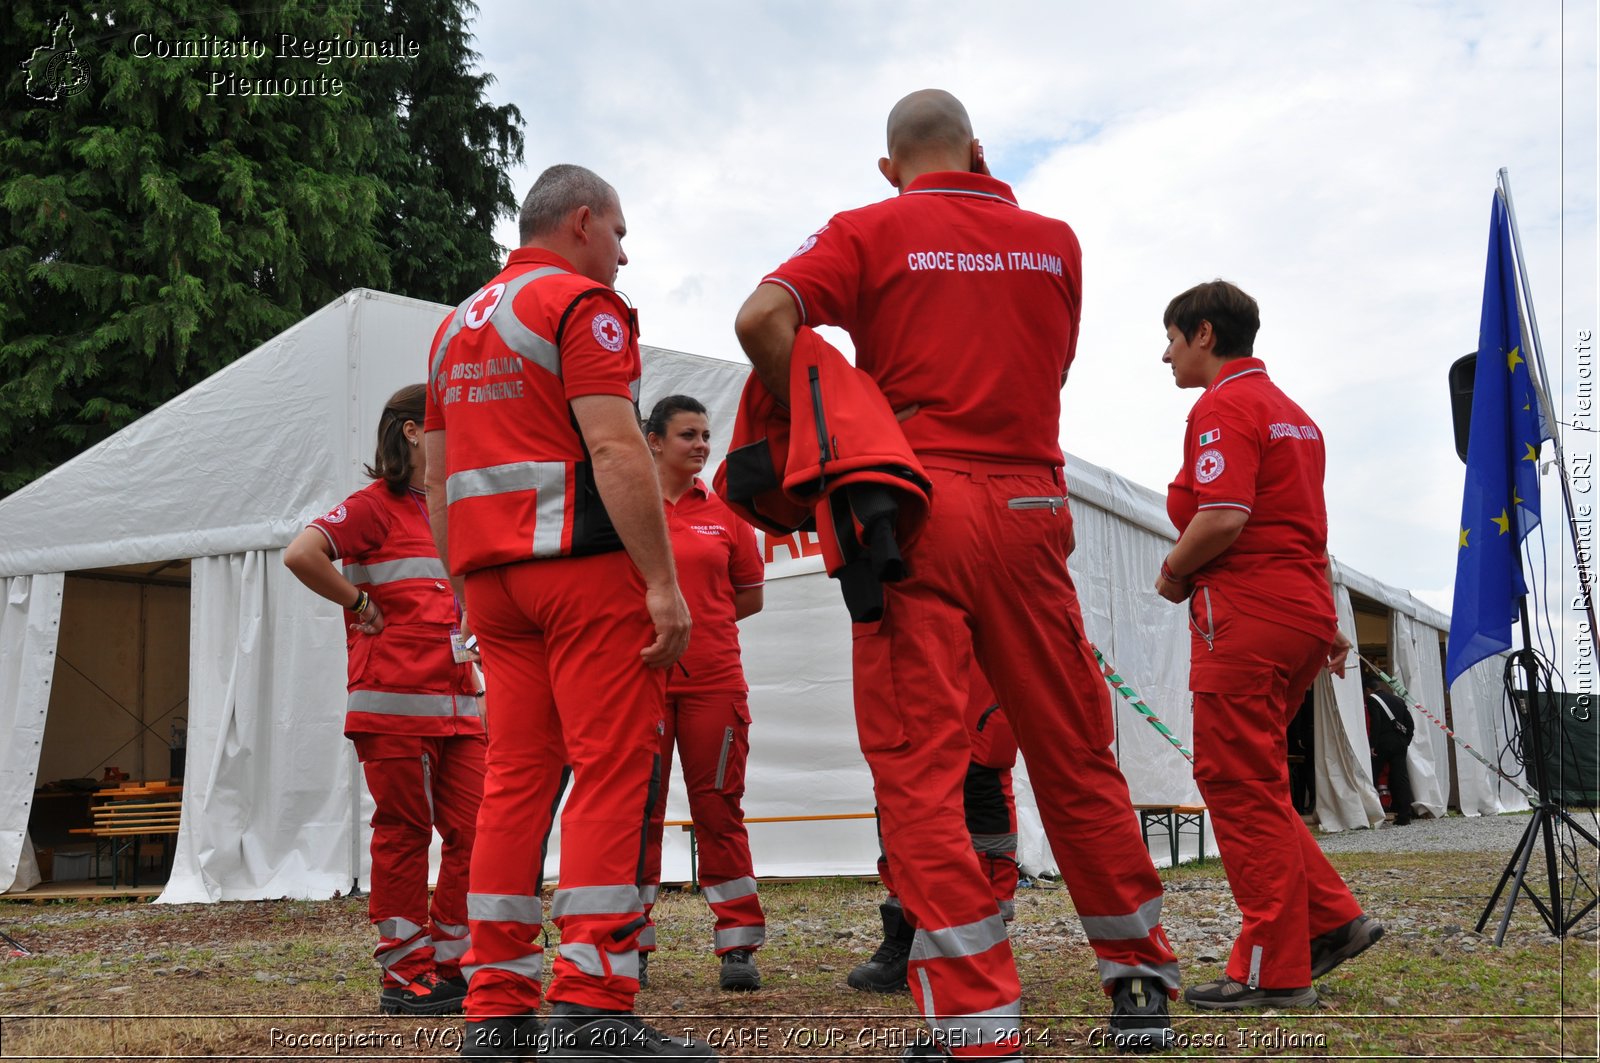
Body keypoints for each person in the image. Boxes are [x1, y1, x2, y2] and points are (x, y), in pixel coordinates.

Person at [735, 89, 1180, 1057]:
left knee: (919, 768)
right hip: (1029, 503)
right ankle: (1138, 983)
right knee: (1072, 750)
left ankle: (977, 1018)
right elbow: (1046, 368)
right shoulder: (1055, 240)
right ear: (977, 152)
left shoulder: (869, 228)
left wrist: (832, 411)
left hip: (915, 507)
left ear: (889, 165)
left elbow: (762, 317)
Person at [423, 165, 713, 1062]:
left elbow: (438, 477)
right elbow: (617, 446)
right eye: (620, 235)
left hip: (492, 579)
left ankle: (496, 1003)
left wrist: (464, 587)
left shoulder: (450, 331)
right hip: (579, 572)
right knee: (612, 769)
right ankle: (592, 1002)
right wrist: (663, 581)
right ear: (582, 221)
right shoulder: (580, 306)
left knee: (514, 781)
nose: (624, 256)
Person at [1154, 279, 1384, 1010]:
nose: (1165, 356)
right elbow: (1304, 528)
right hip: (1300, 613)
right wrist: (1324, 618)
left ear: (1205, 335)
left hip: (1245, 615)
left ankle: (1272, 967)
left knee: (1234, 783)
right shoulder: (1297, 417)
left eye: (1171, 338)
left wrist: (1172, 570)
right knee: (1257, 782)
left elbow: (1223, 515)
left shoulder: (1222, 405)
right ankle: (1335, 918)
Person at [283, 384, 484, 1018]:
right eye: (444, 421)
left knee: (477, 832)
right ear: (411, 432)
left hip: (462, 705)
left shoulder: (453, 507)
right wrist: (360, 603)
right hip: (395, 705)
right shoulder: (375, 505)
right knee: (404, 834)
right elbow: (300, 552)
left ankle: (456, 962)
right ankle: (405, 974)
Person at [638, 394, 767, 992]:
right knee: (637, 814)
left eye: (706, 435)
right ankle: (626, 941)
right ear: (654, 441)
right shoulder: (627, 509)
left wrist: (699, 626)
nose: (701, 445)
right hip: (641, 680)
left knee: (719, 809)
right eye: (687, 434)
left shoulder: (727, 513)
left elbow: (750, 597)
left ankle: (738, 945)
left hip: (715, 682)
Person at [849, 671, 1019, 994]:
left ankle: (980, 942)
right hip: (909, 644)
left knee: (982, 768)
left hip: (978, 652)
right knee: (898, 777)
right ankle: (904, 935)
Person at [1364, 672, 1416, 825]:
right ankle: (1404, 816)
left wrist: (1373, 744)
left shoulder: (1372, 699)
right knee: (1400, 779)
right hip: (1400, 743)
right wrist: (1406, 740)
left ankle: (1372, 812)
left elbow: (1376, 724)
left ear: (1368, 690)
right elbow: (1410, 724)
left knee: (1372, 775)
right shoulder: (1398, 700)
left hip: (1383, 743)